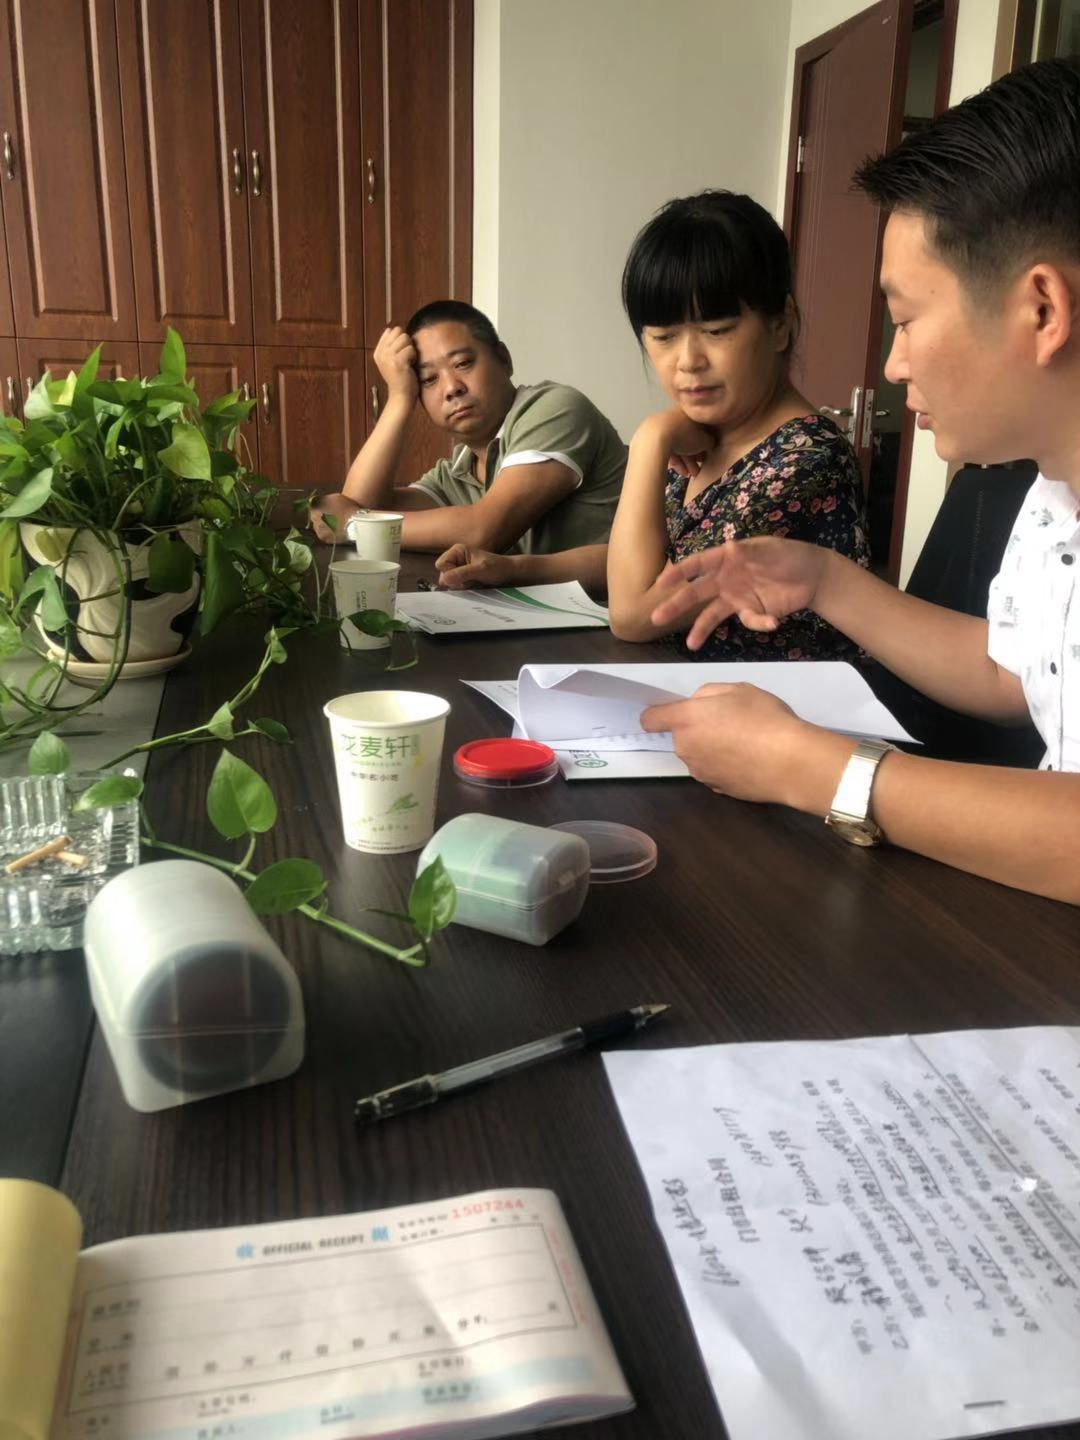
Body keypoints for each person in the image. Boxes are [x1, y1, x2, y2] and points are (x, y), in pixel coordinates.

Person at [639, 58, 1080, 906]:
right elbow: (1017, 675)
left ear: (1042, 311)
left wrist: (812, 768)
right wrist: (825, 579)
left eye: (906, 319)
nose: (894, 364)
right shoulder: (1050, 493)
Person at [604, 190, 870, 659]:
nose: (688, 361)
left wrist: (650, 438)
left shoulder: (805, 458)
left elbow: (635, 613)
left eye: (717, 331)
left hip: (776, 702)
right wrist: (519, 568)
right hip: (691, 689)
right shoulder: (705, 434)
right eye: (664, 337)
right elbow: (651, 556)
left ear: (781, 324)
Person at [310, 301, 626, 560]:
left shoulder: (557, 409)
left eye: (463, 363)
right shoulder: (459, 471)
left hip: (612, 612)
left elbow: (486, 530)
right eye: (429, 380)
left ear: (504, 359)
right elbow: (359, 504)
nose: (451, 388)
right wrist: (399, 398)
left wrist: (355, 525)